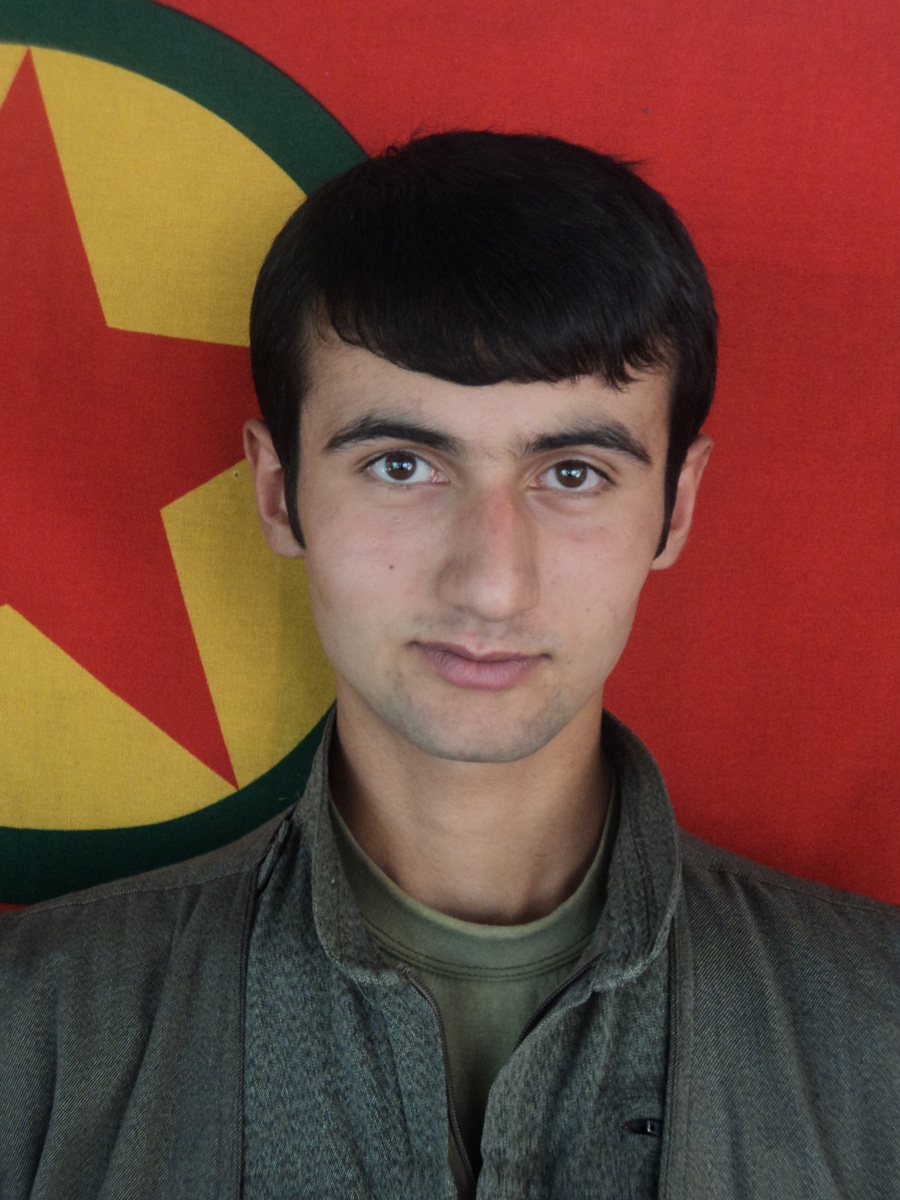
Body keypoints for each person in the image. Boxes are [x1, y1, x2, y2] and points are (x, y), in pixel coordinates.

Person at [1, 131, 898, 1200]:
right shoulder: (32, 1033)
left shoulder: (879, 1023)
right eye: (402, 464)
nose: (491, 586)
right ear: (278, 493)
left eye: (573, 472)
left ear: (676, 506)